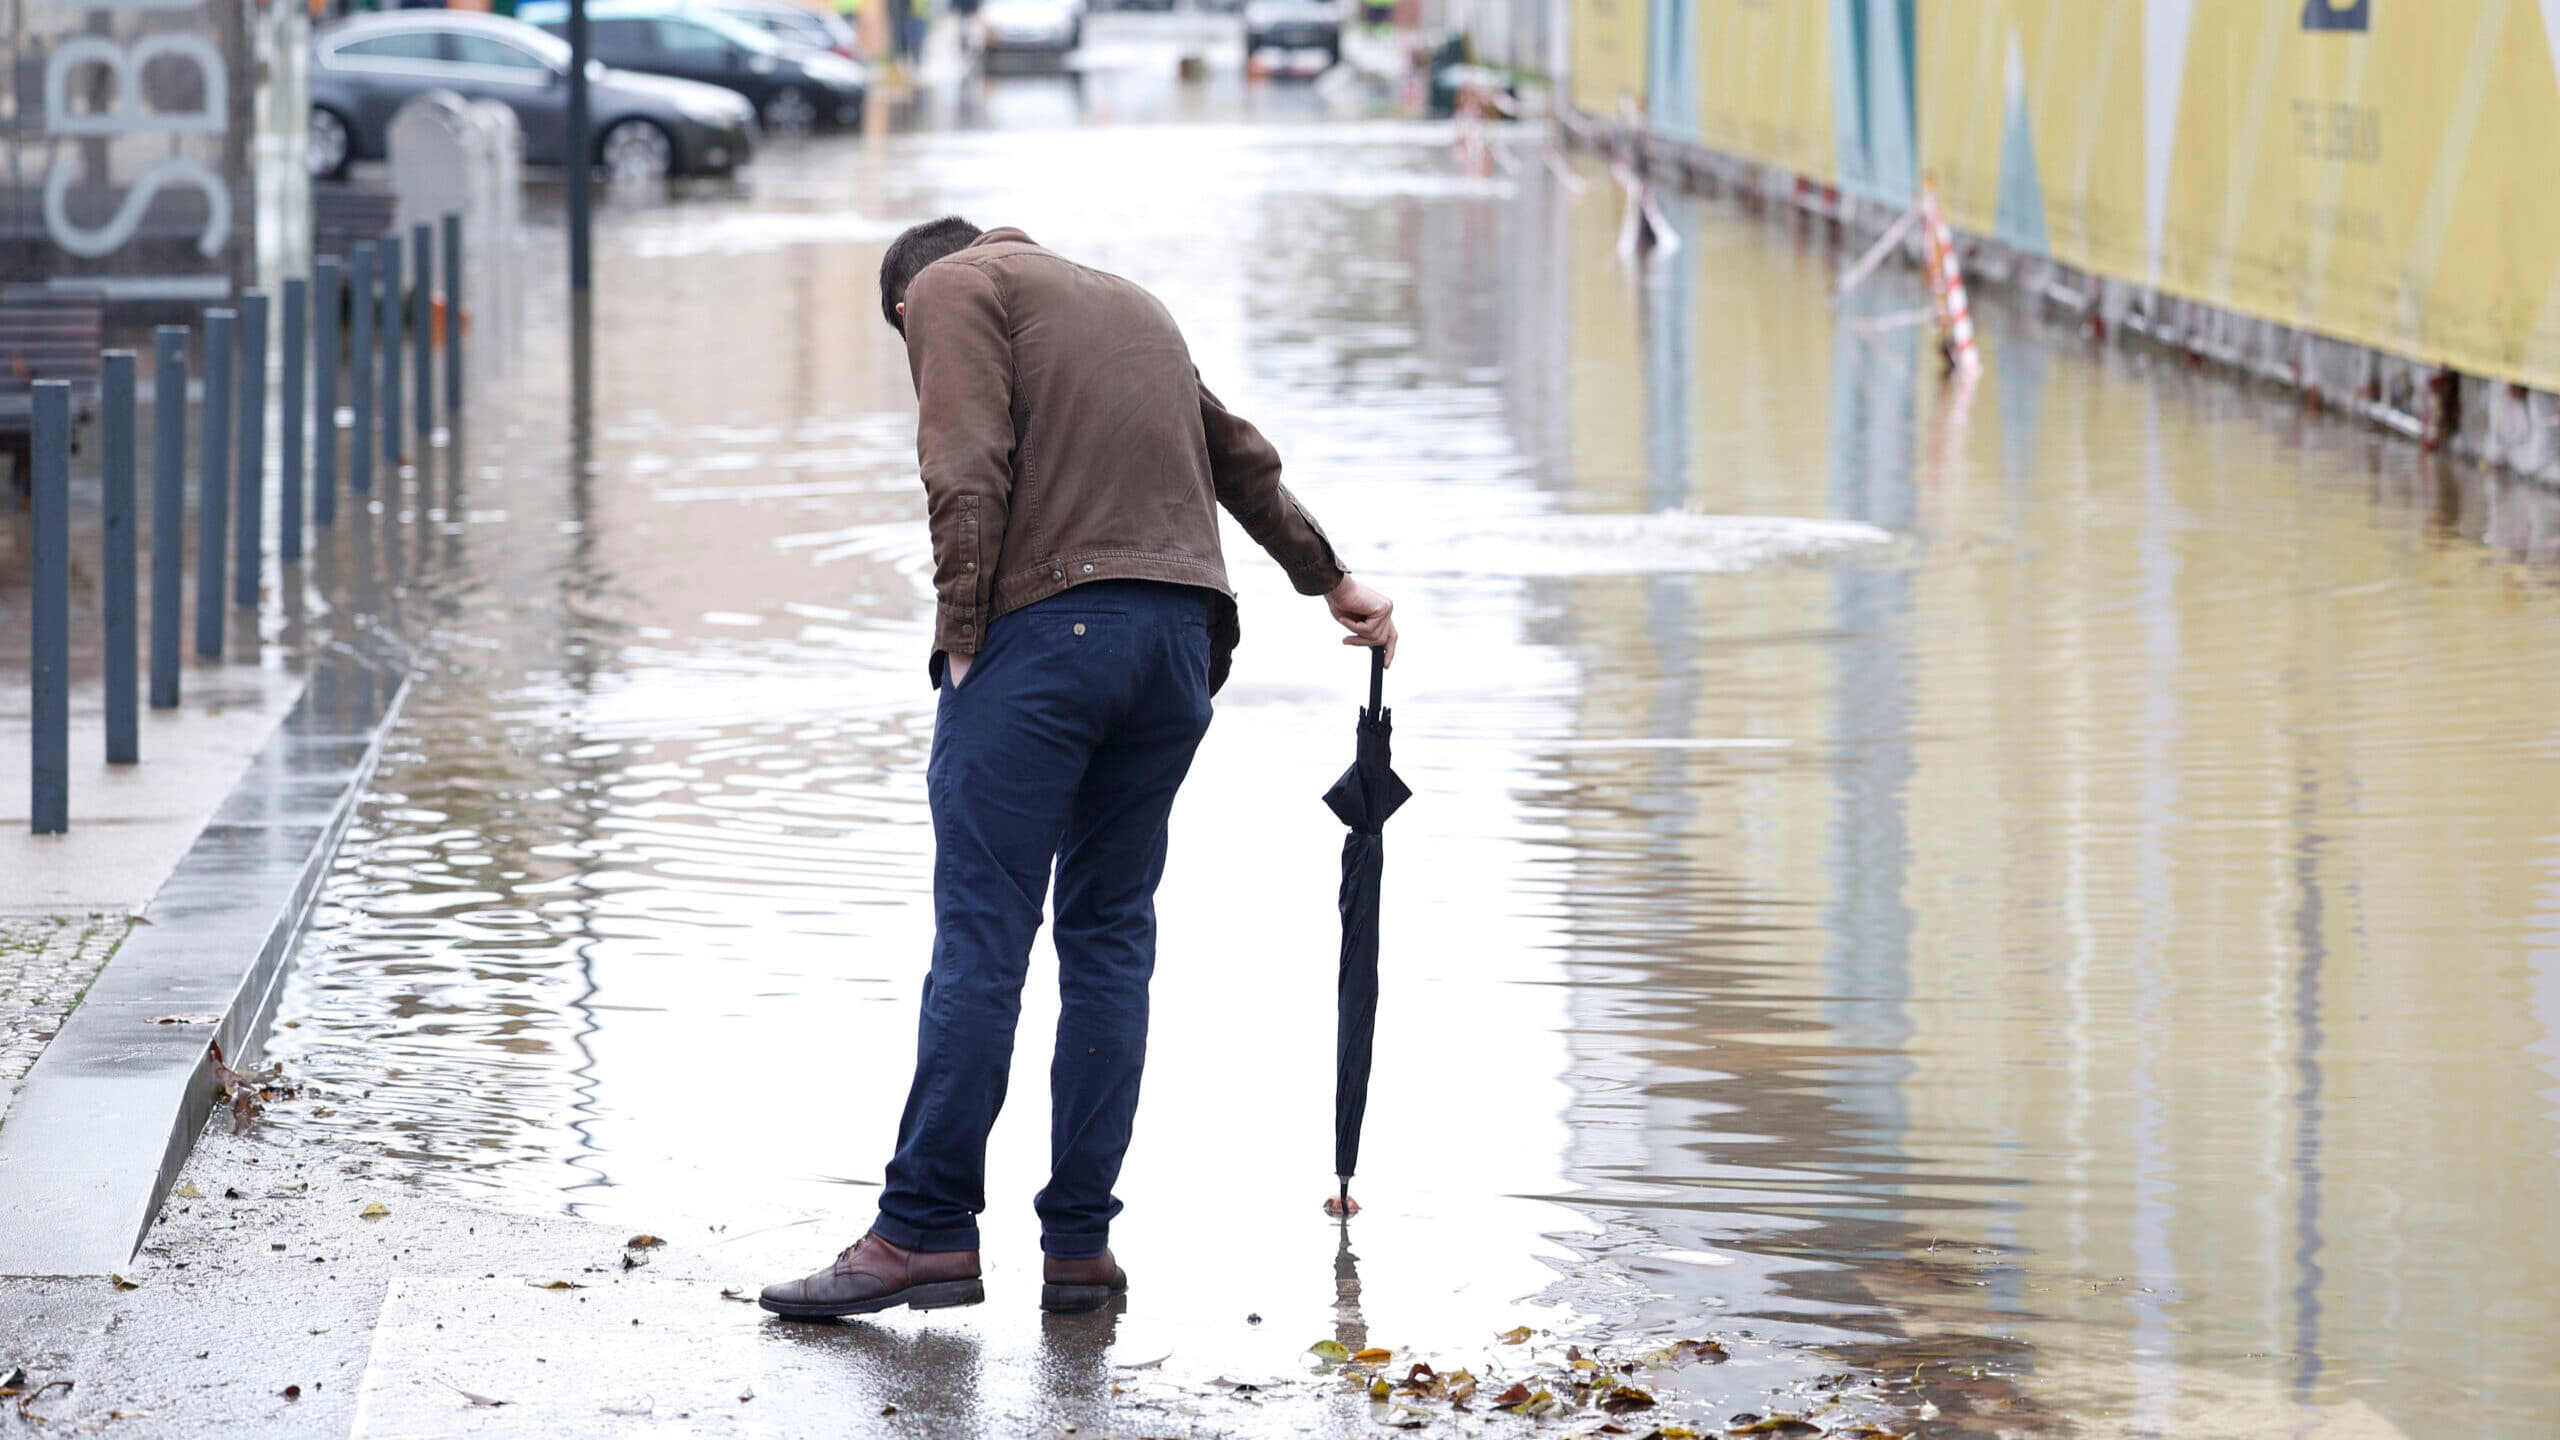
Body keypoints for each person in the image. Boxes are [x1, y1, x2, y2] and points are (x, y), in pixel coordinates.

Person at [759, 219, 1398, 1320]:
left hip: (1050, 641)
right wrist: (1331, 580)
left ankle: (921, 1234)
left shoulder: (951, 290)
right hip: (1177, 649)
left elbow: (963, 462)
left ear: (907, 309)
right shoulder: (1128, 301)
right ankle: (1078, 1248)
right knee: (1108, 936)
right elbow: (1237, 456)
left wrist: (962, 632)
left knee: (984, 934)